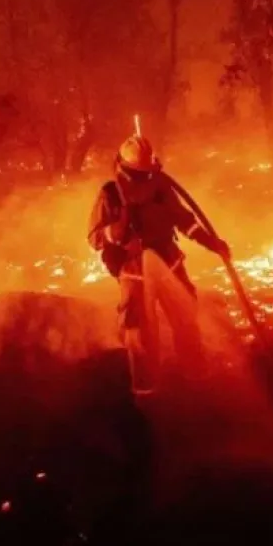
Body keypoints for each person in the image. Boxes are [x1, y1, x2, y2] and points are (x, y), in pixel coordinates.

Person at [87, 134, 230, 396]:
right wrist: (114, 233)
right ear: (124, 167)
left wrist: (211, 242)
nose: (143, 179)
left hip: (168, 261)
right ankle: (145, 389)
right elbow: (94, 237)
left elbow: (185, 220)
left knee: (186, 314)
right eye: (138, 174)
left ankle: (196, 374)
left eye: (146, 173)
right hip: (134, 268)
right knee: (138, 329)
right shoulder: (110, 194)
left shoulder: (161, 186)